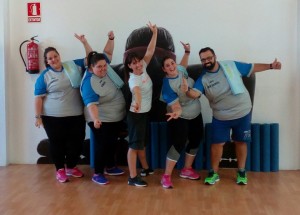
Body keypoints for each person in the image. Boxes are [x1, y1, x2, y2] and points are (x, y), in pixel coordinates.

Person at [187, 47, 282, 185]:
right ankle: (214, 173)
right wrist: (186, 90)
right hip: (221, 116)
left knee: (241, 141)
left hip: (242, 112)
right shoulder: (204, 78)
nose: (207, 61)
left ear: (214, 56)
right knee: (217, 144)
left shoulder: (230, 65)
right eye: (203, 60)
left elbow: (252, 67)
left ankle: (242, 171)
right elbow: (195, 93)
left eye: (209, 58)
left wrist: (271, 66)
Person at [34, 34, 92, 183]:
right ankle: (60, 169)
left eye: (55, 56)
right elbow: (38, 98)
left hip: (76, 115)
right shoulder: (45, 76)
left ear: (59, 56)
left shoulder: (72, 66)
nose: (54, 59)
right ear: (47, 62)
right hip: (52, 117)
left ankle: (71, 167)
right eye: (50, 58)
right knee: (57, 144)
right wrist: (38, 117)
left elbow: (90, 59)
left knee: (77, 142)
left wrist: (84, 42)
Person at [80, 31, 126, 185]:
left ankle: (110, 167)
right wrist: (96, 119)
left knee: (112, 142)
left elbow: (107, 52)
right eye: (99, 67)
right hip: (100, 118)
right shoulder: (89, 83)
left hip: (115, 116)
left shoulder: (104, 65)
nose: (103, 68)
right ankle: (98, 173)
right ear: (91, 68)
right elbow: (91, 104)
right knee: (102, 144)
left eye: (105, 65)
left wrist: (111, 38)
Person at [160, 42, 204, 189]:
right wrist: (177, 113)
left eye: (172, 63)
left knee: (196, 138)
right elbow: (176, 106)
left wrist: (187, 52)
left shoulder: (180, 70)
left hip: (195, 112)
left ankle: (187, 169)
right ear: (163, 70)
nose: (172, 67)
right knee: (179, 142)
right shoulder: (167, 86)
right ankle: (166, 175)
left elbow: (183, 67)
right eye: (168, 66)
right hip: (178, 114)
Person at [124, 22, 157, 187]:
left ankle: (145, 168)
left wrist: (155, 33)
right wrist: (137, 103)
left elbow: (150, 50)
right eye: (134, 63)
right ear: (129, 66)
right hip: (136, 114)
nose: (138, 64)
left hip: (144, 113)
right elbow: (136, 92)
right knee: (134, 146)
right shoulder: (133, 79)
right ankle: (132, 177)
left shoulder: (143, 67)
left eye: (138, 61)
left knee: (141, 143)